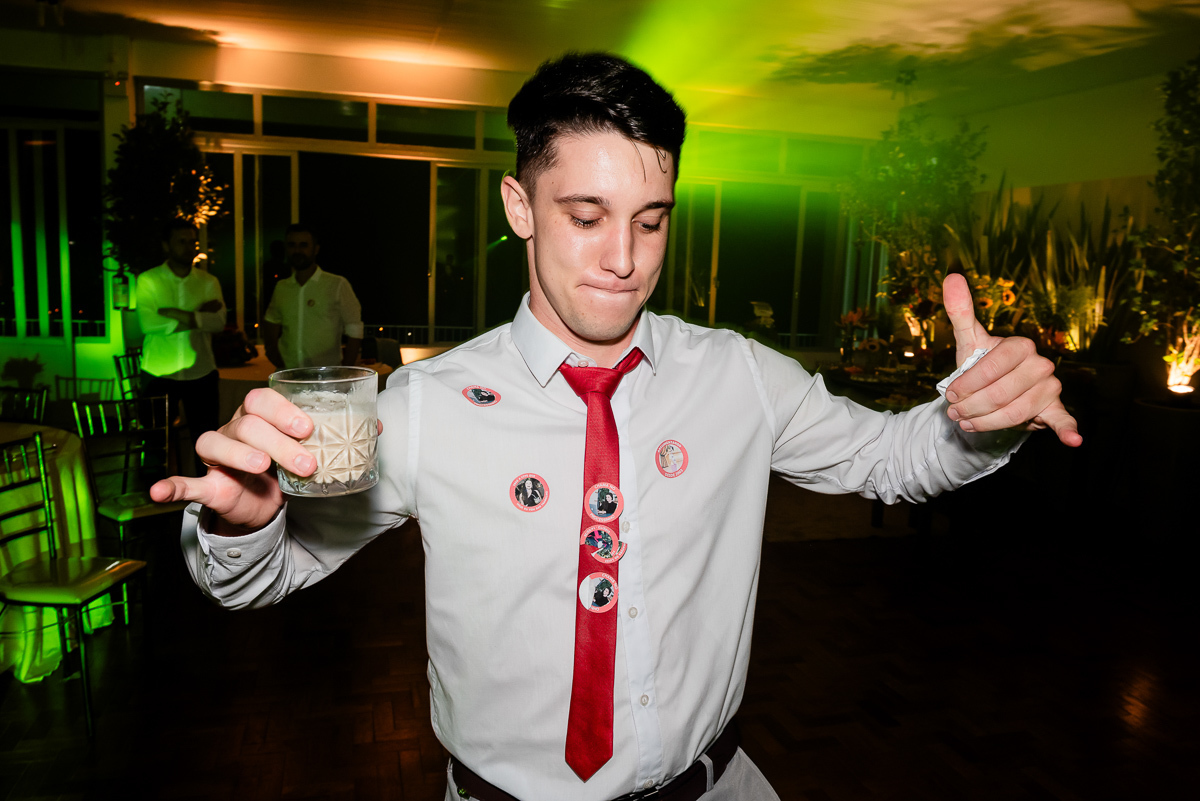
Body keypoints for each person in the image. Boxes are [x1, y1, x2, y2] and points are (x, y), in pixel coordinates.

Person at [154, 53, 1080, 801]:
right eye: (587, 216)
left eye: (650, 220)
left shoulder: (738, 376)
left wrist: (979, 417)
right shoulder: (427, 405)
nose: (625, 259)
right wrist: (244, 523)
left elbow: (889, 458)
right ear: (520, 207)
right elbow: (259, 576)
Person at [136, 219, 226, 474]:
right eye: (182, 241)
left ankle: (207, 494)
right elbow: (148, 324)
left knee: (206, 442)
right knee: (155, 443)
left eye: (192, 242)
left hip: (201, 372)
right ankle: (155, 492)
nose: (189, 247)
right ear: (166, 245)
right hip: (158, 373)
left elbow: (218, 322)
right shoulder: (149, 280)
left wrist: (173, 313)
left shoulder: (208, 281)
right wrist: (198, 315)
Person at [263, 224, 364, 369]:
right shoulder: (282, 287)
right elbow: (271, 321)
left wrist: (345, 371)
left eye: (303, 245)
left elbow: (355, 329)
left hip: (325, 376)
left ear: (316, 249)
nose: (297, 250)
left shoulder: (337, 284)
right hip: (288, 375)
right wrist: (272, 354)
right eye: (292, 245)